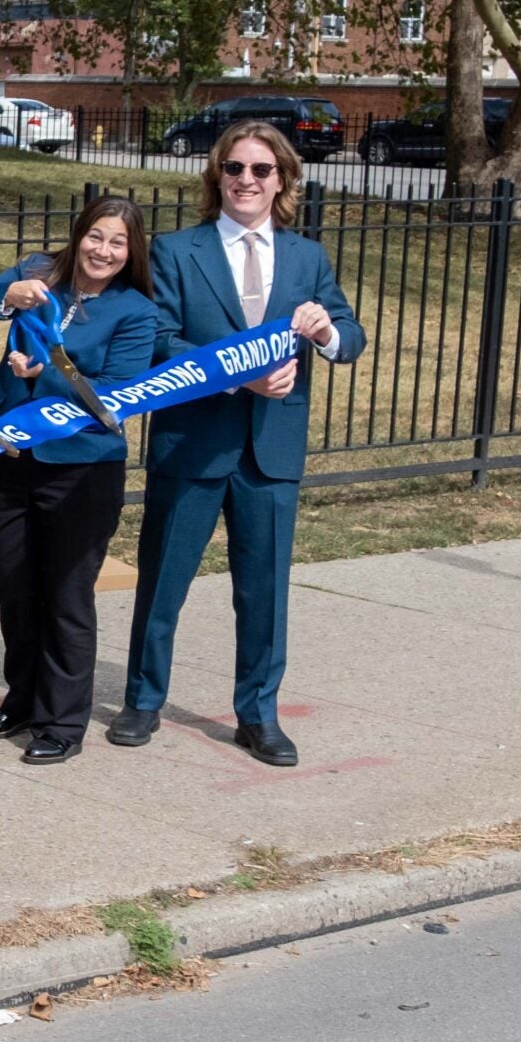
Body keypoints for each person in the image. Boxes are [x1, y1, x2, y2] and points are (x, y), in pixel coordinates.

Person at [114, 121, 364, 766]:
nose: (246, 181)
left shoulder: (306, 257)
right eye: (234, 168)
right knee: (164, 583)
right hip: (193, 444)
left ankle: (259, 714)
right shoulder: (176, 251)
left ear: (281, 179)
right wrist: (237, 375)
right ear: (215, 176)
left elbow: (349, 335)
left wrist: (324, 333)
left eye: (260, 170)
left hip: (271, 452)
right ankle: (143, 702)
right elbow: (159, 341)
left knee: (264, 590)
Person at [0, 198, 160, 765]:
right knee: (15, 588)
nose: (103, 251)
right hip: (10, 457)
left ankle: (62, 721)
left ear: (131, 253)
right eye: (96, 237)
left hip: (82, 468)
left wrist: (43, 370)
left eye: (117, 243)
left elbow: (112, 396)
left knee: (66, 597)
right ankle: (21, 700)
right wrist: (6, 297)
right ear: (80, 236)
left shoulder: (136, 312)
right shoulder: (36, 271)